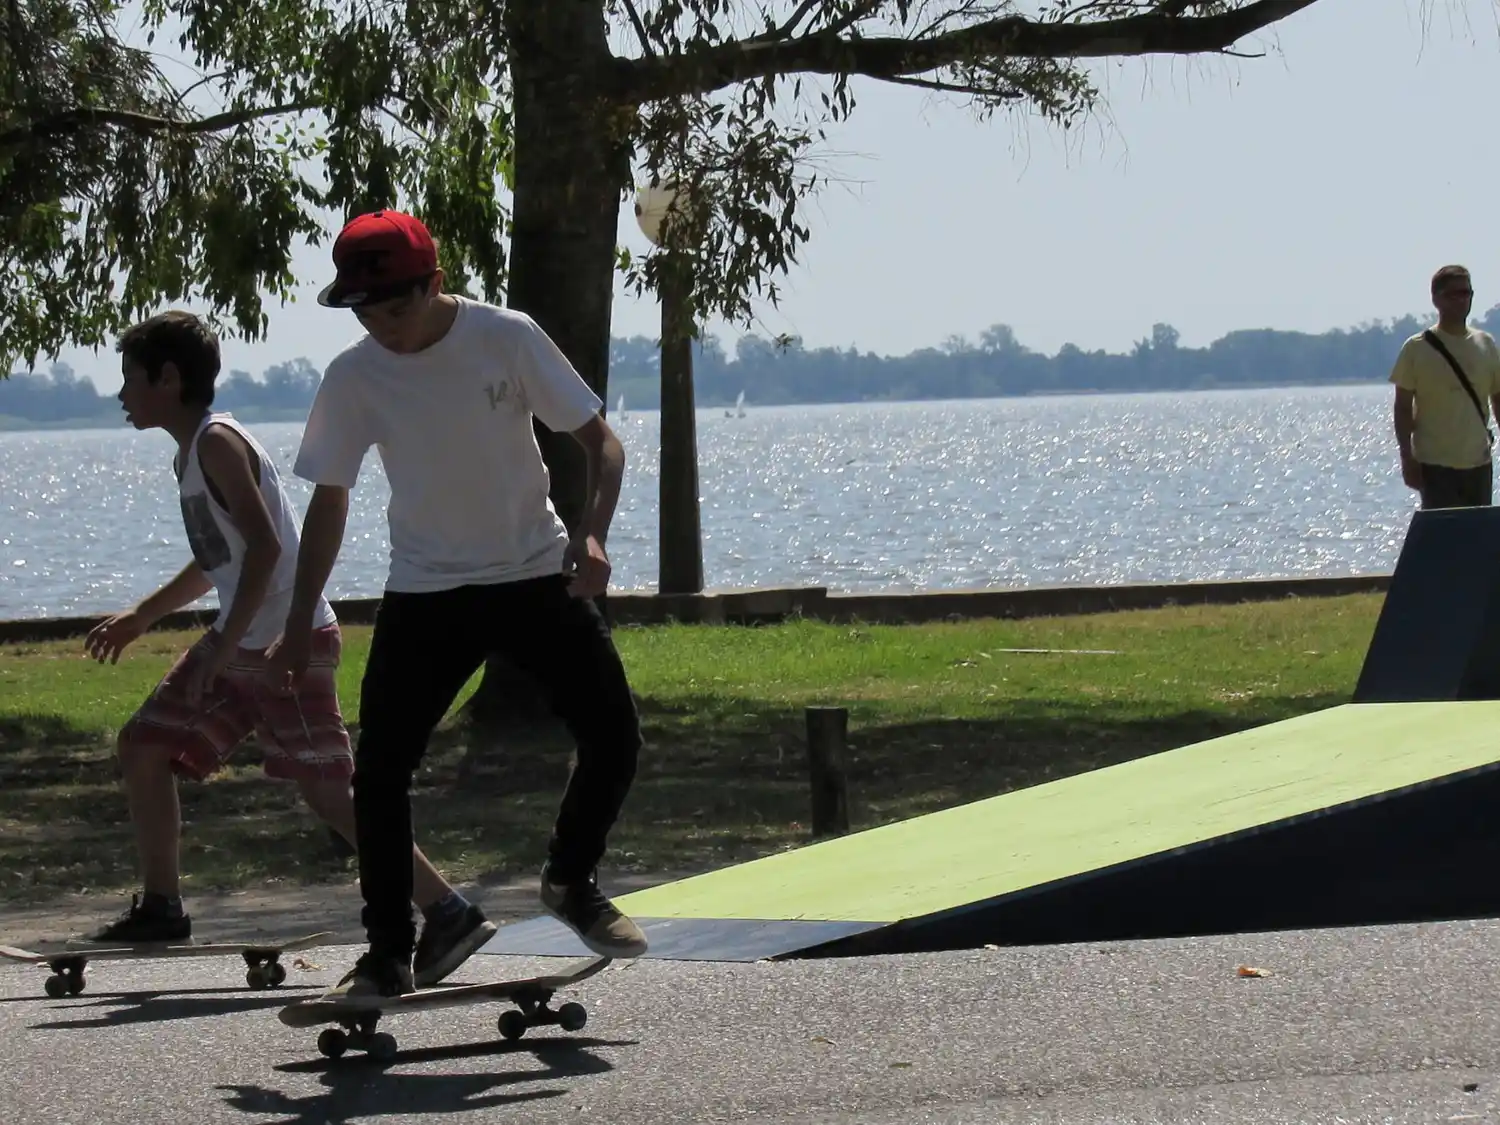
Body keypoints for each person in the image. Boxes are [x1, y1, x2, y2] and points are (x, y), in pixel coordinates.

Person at [270, 209, 647, 999]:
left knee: (613, 734)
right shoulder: (353, 376)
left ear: (435, 283)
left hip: (535, 571)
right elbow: (329, 502)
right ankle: (387, 951)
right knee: (378, 773)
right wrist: (301, 618)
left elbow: (599, 442)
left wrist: (596, 534)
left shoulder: (505, 337)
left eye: (396, 307)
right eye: (363, 311)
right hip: (428, 590)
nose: (383, 327)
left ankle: (570, 880)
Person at [86, 310, 497, 989]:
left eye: (131, 379)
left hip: (284, 644)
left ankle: (446, 909)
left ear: (168, 377)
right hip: (239, 641)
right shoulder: (190, 453)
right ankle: (161, 904)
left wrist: (223, 641)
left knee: (332, 795)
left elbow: (271, 547)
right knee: (144, 744)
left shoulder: (218, 443)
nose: (123, 394)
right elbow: (222, 556)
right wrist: (143, 615)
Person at [1390, 264, 1500, 509]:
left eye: (1466, 293)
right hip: (1435, 465)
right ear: (1436, 299)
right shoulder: (1417, 348)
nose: (1462, 300)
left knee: (1478, 538)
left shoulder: (1486, 344)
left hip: (1478, 463)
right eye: (1454, 294)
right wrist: (1407, 457)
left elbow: (1498, 398)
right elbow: (1403, 408)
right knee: (1444, 536)